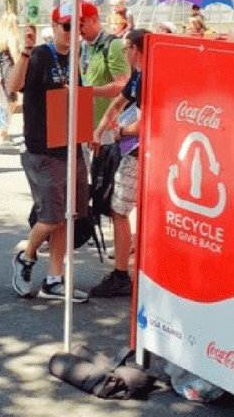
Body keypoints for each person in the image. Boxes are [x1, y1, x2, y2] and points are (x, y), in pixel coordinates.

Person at [8, 2, 89, 302]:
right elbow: (13, 87)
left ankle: (54, 278)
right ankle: (26, 257)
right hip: (43, 148)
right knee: (53, 216)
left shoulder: (77, 57)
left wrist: (88, 129)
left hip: (71, 145)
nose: (73, 32)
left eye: (78, 27)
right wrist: (26, 51)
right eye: (67, 27)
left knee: (68, 215)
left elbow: (75, 98)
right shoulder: (41, 55)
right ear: (54, 28)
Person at [91, 29, 147, 297]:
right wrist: (100, 131)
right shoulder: (138, 75)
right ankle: (130, 268)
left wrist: (121, 132)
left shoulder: (150, 77)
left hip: (140, 151)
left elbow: (147, 123)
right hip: (137, 150)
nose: (124, 53)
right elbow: (118, 102)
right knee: (131, 210)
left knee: (119, 210)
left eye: (127, 48)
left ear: (136, 49)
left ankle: (121, 274)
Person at [79, 2, 129, 129]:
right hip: (84, 125)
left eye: (81, 25)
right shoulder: (81, 46)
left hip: (107, 127)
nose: (77, 30)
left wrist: (85, 92)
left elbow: (122, 86)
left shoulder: (114, 45)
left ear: (94, 20)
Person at [0, 11, 20, 144]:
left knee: (3, 100)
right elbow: (15, 55)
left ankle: (1, 131)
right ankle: (3, 132)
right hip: (9, 69)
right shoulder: (11, 37)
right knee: (12, 100)